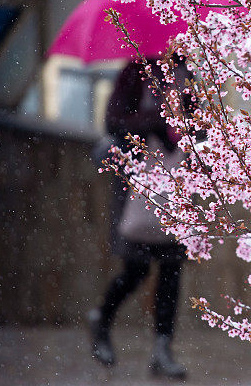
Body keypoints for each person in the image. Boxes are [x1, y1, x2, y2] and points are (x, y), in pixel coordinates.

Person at [88, 58, 193, 379]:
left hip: (175, 182)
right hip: (137, 184)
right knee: (136, 269)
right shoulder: (134, 73)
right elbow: (113, 122)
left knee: (171, 271)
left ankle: (163, 350)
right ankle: (102, 319)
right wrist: (154, 121)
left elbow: (198, 123)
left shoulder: (184, 74)